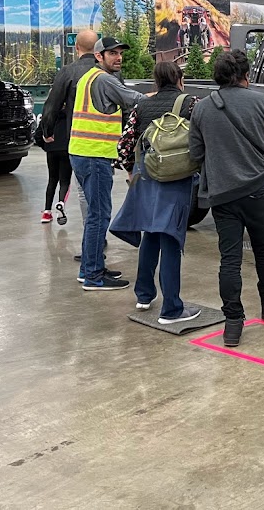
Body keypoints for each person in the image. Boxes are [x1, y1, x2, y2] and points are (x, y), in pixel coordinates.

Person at [189, 49, 264, 347]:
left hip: (222, 194)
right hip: (259, 188)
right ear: (246, 74)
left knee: (229, 259)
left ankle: (233, 322)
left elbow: (196, 153)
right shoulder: (263, 102)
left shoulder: (202, 108)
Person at [110, 62, 201, 324]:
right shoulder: (191, 104)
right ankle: (171, 309)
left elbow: (124, 145)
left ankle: (144, 295)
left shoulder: (141, 106)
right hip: (177, 179)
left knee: (151, 233)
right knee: (171, 238)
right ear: (180, 79)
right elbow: (202, 140)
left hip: (147, 176)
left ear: (156, 81)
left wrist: (131, 170)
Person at [68, 37, 146, 290]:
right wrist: (163, 96)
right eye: (112, 53)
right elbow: (136, 99)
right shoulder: (104, 80)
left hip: (82, 153)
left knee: (95, 214)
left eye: (120, 53)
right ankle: (93, 276)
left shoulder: (88, 77)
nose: (118, 57)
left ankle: (89, 268)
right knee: (99, 216)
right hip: (94, 156)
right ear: (98, 56)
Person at [39, 30, 100, 232]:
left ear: (77, 47)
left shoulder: (68, 72)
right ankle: (99, 232)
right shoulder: (107, 72)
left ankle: (91, 234)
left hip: (78, 139)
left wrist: (47, 131)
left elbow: (52, 105)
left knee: (83, 191)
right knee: (101, 190)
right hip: (105, 142)